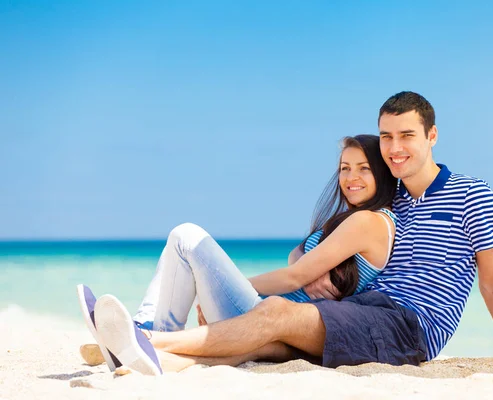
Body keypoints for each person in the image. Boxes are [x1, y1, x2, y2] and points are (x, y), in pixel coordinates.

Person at [89, 91, 493, 375]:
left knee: (277, 312)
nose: (395, 146)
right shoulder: (395, 201)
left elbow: (490, 280)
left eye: (406, 135)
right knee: (268, 342)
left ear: (432, 136)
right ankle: (142, 356)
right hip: (365, 310)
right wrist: (323, 273)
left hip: (412, 327)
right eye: (386, 136)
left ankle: (143, 339)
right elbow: (362, 260)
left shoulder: (473, 194)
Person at [77, 134, 399, 373]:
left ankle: (145, 331)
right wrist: (309, 268)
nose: (350, 178)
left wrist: (235, 284)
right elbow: (295, 257)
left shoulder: (368, 221)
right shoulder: (352, 220)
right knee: (183, 239)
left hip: (269, 321)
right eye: (345, 168)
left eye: (363, 169)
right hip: (270, 321)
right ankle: (145, 335)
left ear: (382, 175)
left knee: (186, 236)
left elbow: (294, 275)